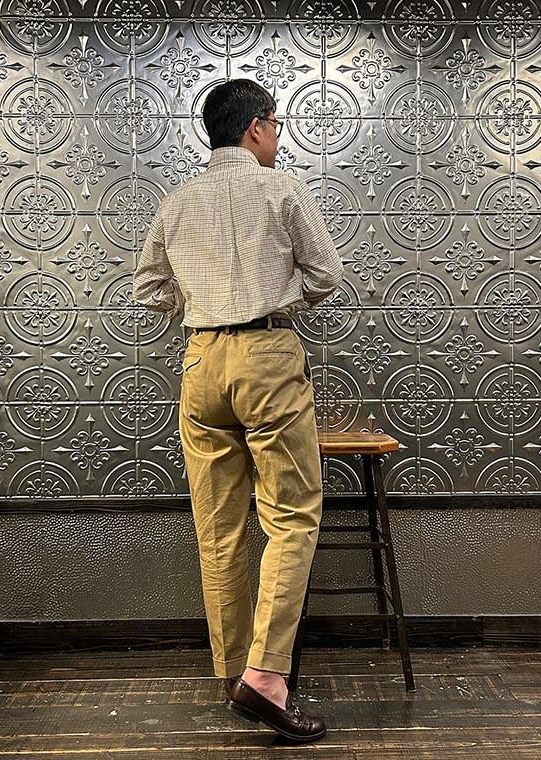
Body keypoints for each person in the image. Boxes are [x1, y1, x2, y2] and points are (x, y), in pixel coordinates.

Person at [133, 78, 343, 743]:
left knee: (218, 528)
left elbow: (149, 288)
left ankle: (232, 675)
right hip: (266, 356)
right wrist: (274, 298)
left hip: (200, 362)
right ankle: (267, 678)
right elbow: (326, 274)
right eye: (275, 125)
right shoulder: (282, 189)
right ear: (256, 127)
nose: (276, 137)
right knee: (291, 516)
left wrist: (203, 303)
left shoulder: (177, 200)